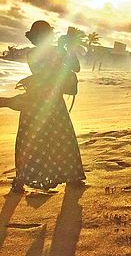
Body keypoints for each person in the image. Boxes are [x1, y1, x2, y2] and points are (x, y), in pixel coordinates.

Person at [0, 20, 85, 192]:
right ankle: (24, 178)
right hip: (44, 100)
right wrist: (61, 49)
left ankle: (24, 179)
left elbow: (75, 67)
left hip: (44, 99)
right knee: (51, 138)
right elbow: (47, 72)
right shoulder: (34, 53)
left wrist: (66, 48)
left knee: (41, 138)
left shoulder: (49, 51)